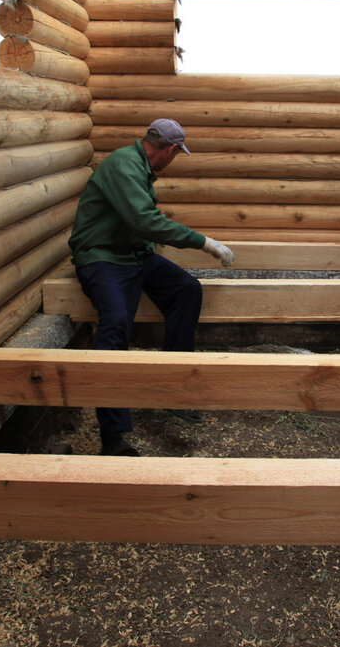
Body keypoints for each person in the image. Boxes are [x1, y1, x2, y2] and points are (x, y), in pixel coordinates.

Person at [68, 118, 235, 456]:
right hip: (103, 259)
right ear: (171, 150)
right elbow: (145, 220)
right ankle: (112, 438)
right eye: (178, 154)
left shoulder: (139, 165)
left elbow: (140, 225)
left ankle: (174, 391)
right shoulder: (124, 166)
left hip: (134, 256)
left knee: (186, 290)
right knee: (115, 323)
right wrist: (203, 242)